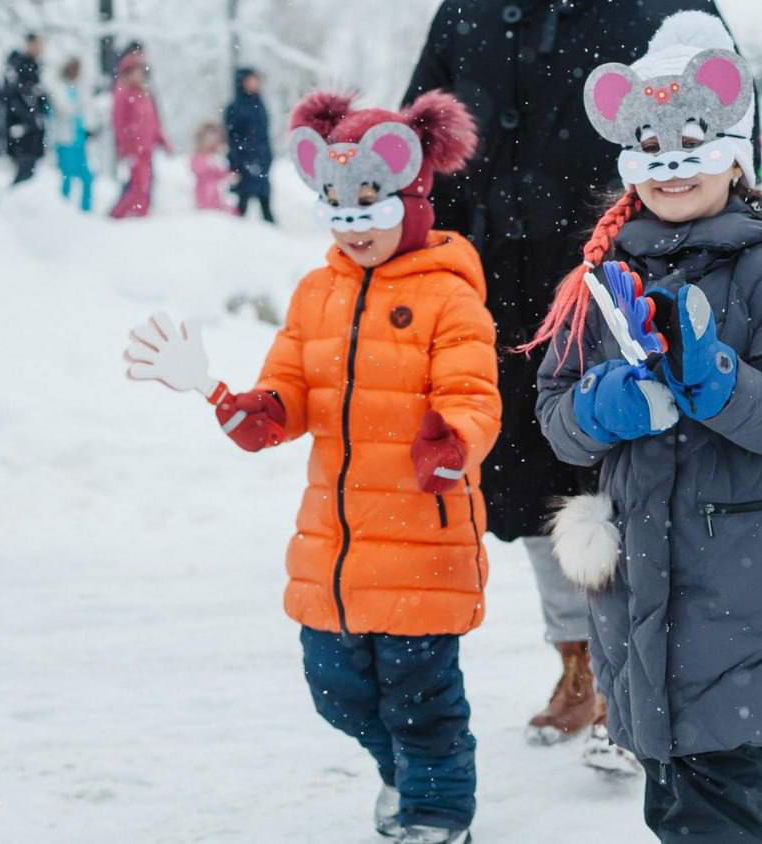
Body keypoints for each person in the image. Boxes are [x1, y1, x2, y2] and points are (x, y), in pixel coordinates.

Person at [530, 12, 762, 841]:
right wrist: (602, 405)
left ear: (733, 146)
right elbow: (554, 417)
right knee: (672, 794)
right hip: (636, 584)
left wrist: (713, 380)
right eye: (650, 149)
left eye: (693, 142)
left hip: (743, 582)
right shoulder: (601, 278)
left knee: (717, 796)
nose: (673, 167)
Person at [404, 0, 747, 760]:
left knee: (635, 477)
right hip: (495, 293)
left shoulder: (661, 6)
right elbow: (418, 152)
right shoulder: (468, 14)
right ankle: (581, 663)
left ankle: (645, 684)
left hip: (629, 281)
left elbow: (723, 124)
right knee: (526, 487)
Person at [224, 89, 496, 843]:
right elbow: (293, 384)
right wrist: (267, 412)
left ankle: (438, 813)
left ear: (411, 199)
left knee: (421, 698)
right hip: (336, 543)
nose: (354, 224)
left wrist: (454, 438)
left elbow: (474, 394)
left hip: (422, 532)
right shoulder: (316, 293)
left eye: (369, 203)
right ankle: (400, 773)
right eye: (338, 204)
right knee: (335, 689)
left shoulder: (449, 297)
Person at [110, 51, 169, 219]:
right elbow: (119, 124)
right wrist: (126, 147)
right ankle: (118, 217)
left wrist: (163, 140)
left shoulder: (144, 94)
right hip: (134, 149)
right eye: (136, 70)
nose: (140, 74)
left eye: (142, 70)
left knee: (146, 184)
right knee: (138, 187)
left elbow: (153, 121)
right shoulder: (122, 94)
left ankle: (141, 215)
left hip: (147, 148)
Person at [224, 67, 274, 222]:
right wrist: (238, 159)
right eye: (250, 80)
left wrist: (267, 155)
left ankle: (271, 228)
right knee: (243, 197)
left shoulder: (259, 104)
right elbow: (232, 137)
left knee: (264, 195)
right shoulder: (234, 107)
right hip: (244, 158)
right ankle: (239, 230)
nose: (254, 84)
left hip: (261, 157)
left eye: (256, 80)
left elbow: (264, 133)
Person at [49, 57, 94, 212]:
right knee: (66, 177)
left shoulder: (79, 88)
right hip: (65, 141)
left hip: (78, 139)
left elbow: (85, 108)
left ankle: (85, 211)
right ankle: (63, 212)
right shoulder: (59, 88)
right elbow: (65, 109)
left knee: (86, 178)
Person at [3, 33, 48, 186]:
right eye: (35, 45)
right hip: (23, 129)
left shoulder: (33, 66)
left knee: (28, 170)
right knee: (24, 169)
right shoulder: (22, 66)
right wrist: (30, 120)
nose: (39, 49)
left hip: (29, 128)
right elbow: (15, 98)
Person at [190, 122, 236, 213]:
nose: (211, 143)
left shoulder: (217, 157)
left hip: (217, 194)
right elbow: (198, 170)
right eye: (208, 139)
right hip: (204, 194)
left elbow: (221, 172)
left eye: (214, 140)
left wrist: (229, 175)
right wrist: (210, 166)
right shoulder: (198, 156)